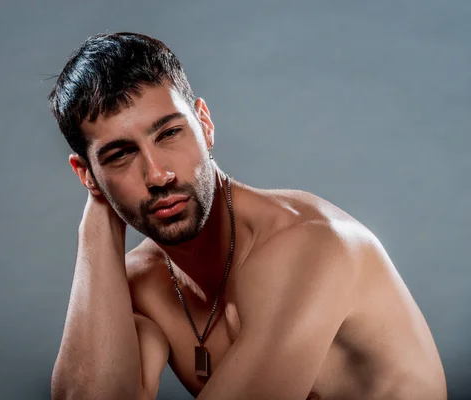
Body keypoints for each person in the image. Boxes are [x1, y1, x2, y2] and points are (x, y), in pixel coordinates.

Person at [47, 32, 447, 400]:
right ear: (87, 174)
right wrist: (96, 219)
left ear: (204, 125)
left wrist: (107, 175)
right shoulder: (140, 285)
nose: (157, 175)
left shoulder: (311, 244)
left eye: (169, 133)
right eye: (120, 154)